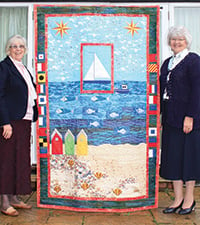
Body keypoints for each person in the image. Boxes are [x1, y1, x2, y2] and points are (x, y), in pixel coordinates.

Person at [160, 26, 200, 215]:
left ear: (187, 42)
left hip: (187, 120)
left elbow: (197, 92)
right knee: (174, 158)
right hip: (170, 119)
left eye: (180, 40)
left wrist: (190, 117)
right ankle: (177, 199)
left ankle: (189, 200)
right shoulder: (166, 62)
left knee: (188, 159)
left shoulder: (194, 61)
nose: (176, 42)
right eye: (174, 39)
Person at [0, 35, 38, 216]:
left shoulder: (23, 68)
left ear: (25, 49)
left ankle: (15, 198)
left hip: (24, 120)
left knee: (20, 160)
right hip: (11, 122)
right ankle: (5, 202)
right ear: (8, 49)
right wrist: (5, 122)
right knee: (7, 161)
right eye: (14, 46)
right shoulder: (4, 67)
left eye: (21, 46)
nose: (18, 49)